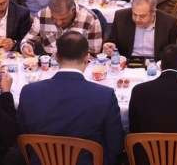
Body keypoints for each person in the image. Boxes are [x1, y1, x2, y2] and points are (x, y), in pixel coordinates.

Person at [18, 32, 124, 165]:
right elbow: (115, 145)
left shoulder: (29, 92)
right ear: (87, 58)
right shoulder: (104, 95)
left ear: (56, 57)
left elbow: (23, 139)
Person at [20, 0, 103, 57]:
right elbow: (28, 40)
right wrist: (26, 47)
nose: (59, 23)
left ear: (73, 10)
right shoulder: (43, 15)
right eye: (54, 18)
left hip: (78, 67)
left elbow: (94, 54)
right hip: (50, 67)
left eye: (63, 19)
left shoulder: (90, 19)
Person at [102, 0, 177, 60]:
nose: (137, 19)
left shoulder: (169, 22)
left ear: (153, 13)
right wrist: (109, 45)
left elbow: (172, 51)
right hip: (127, 62)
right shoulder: (121, 16)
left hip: (155, 63)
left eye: (142, 16)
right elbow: (111, 40)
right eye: (134, 14)